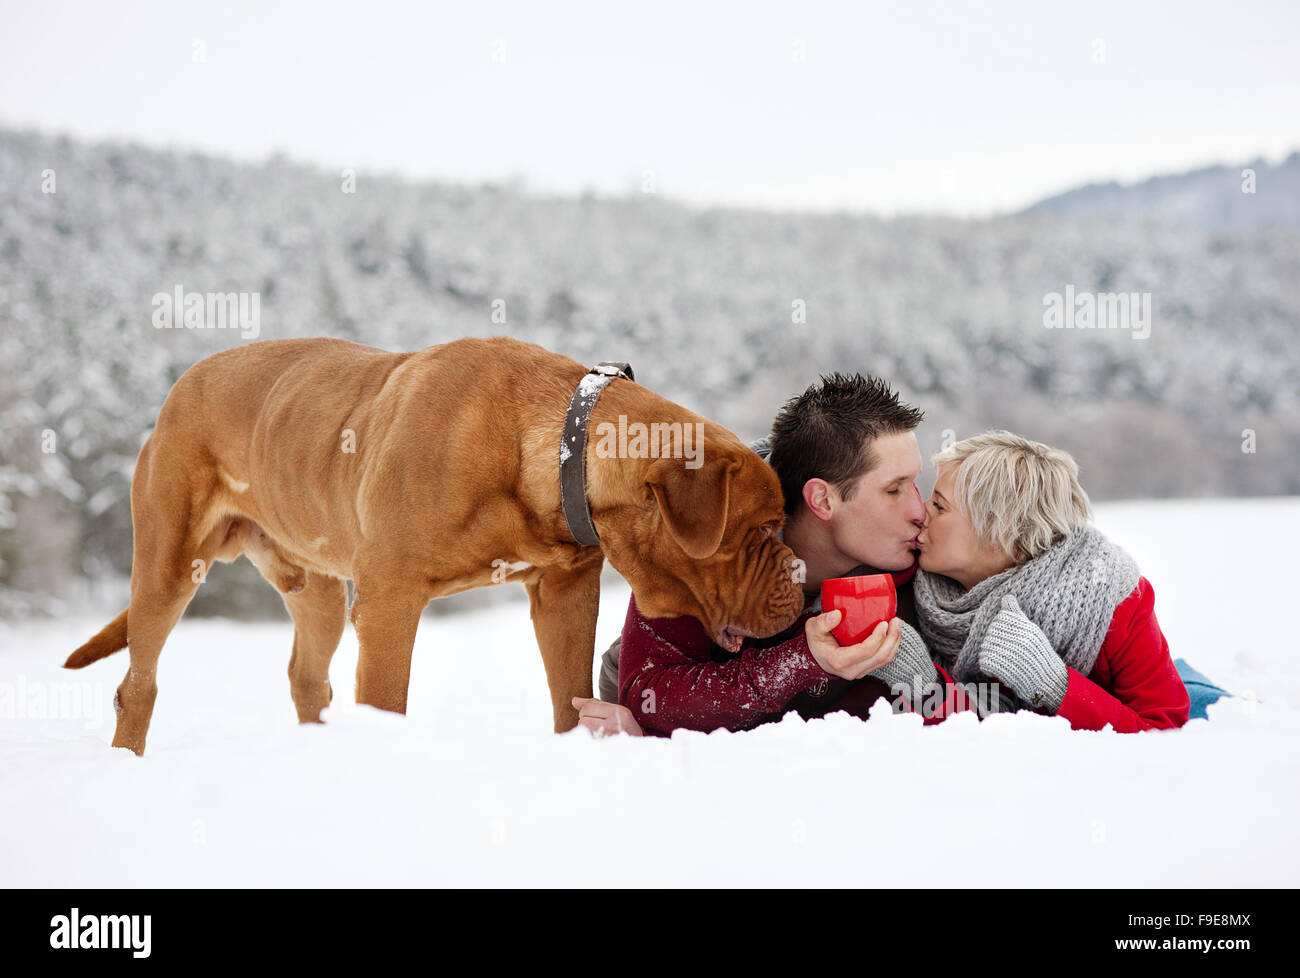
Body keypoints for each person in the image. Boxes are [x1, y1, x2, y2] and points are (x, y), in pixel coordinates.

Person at [573, 373, 973, 737]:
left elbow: (991, 720)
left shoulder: (927, 559)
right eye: (894, 490)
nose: (919, 511)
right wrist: (802, 661)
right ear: (822, 499)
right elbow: (650, 693)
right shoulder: (701, 534)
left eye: (914, 482)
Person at [910, 430, 1212, 732]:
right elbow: (972, 720)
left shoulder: (1114, 598)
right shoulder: (913, 584)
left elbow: (1163, 727)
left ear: (1000, 534)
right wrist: (918, 682)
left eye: (939, 506)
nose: (920, 512)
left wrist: (1055, 685)